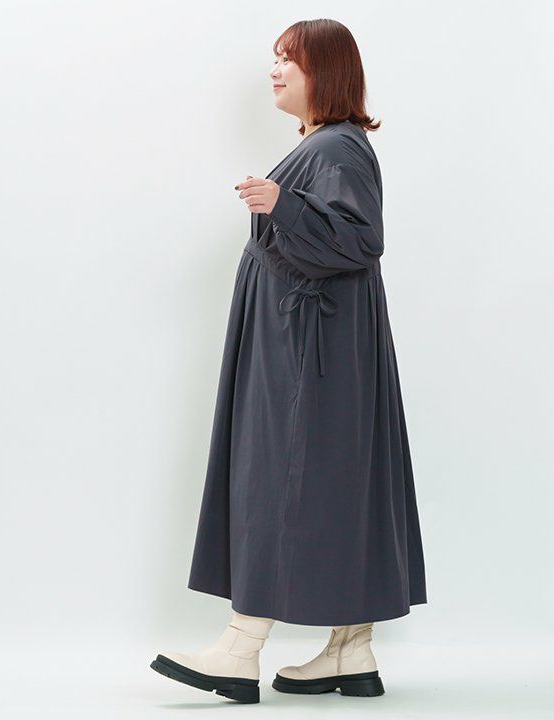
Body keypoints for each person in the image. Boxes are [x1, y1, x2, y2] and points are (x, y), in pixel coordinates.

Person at [151, 18, 427, 704]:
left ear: (323, 71)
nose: (274, 71)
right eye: (274, 59)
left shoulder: (336, 148)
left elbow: (360, 240)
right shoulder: (328, 145)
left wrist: (283, 205)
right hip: (319, 345)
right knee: (337, 479)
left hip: (310, 350)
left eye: (288, 60)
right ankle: (350, 650)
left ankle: (240, 648)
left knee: (280, 474)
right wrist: (287, 207)